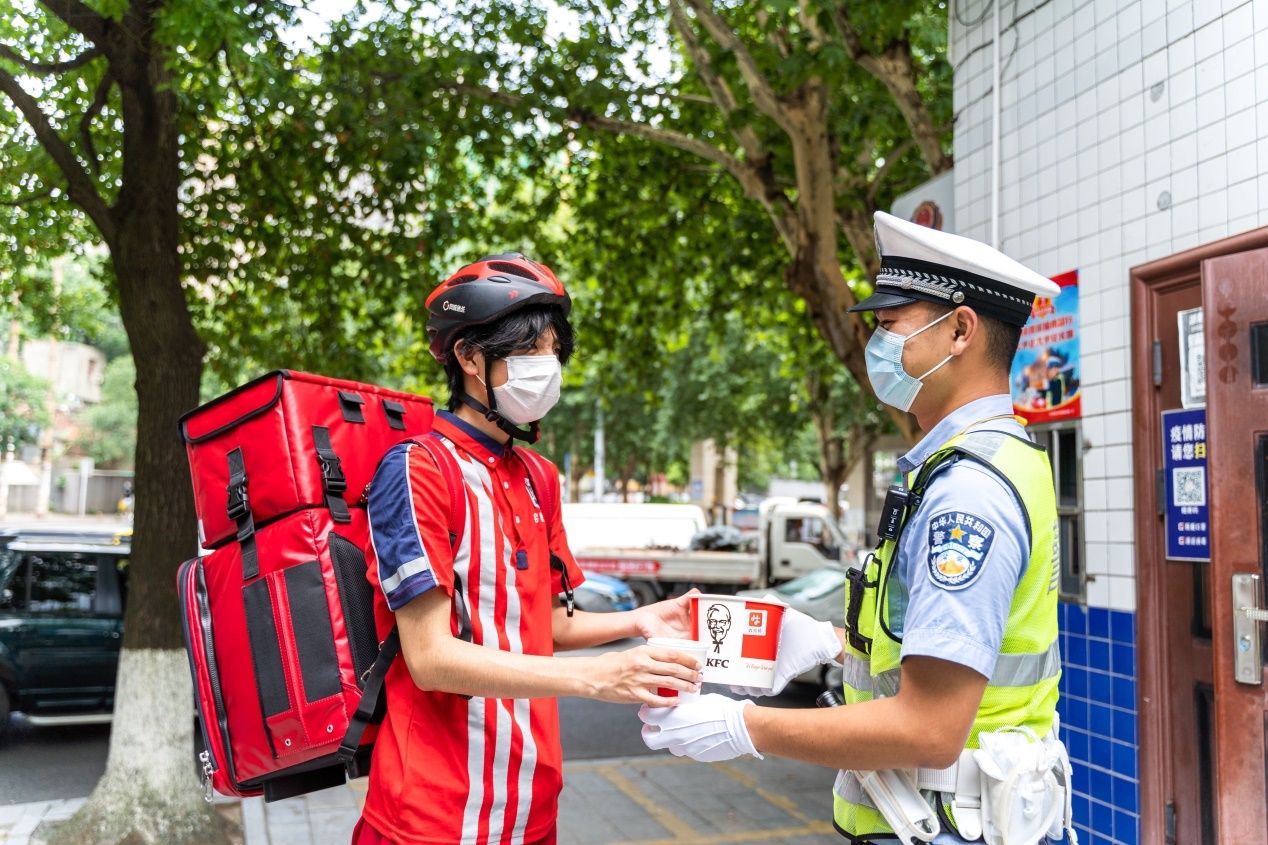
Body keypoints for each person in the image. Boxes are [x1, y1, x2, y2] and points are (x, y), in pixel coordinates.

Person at [641, 213, 1074, 845]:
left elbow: (930, 729)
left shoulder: (968, 491)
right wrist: (830, 641)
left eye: (889, 325)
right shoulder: (988, 459)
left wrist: (744, 726)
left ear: (959, 329)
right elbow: (940, 640)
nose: (878, 345)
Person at [356, 253, 703, 845]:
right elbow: (431, 658)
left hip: (531, 809)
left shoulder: (538, 476)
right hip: (433, 819)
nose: (547, 368)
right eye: (528, 351)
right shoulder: (419, 470)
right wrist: (596, 678)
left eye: (552, 352)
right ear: (468, 356)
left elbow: (540, 622)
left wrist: (640, 619)